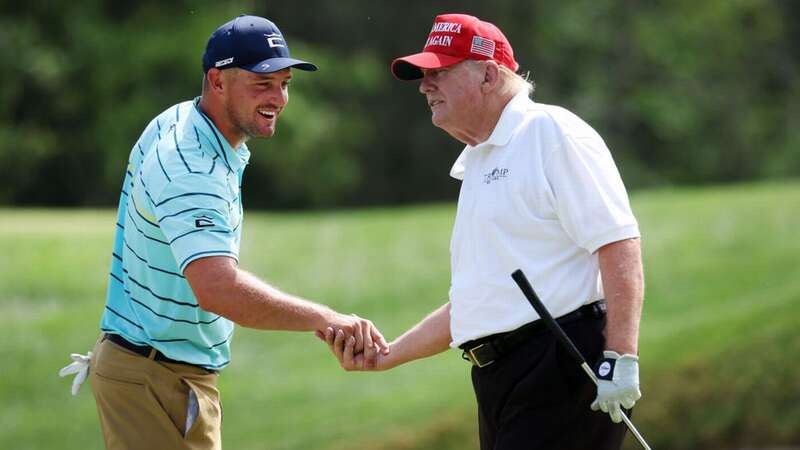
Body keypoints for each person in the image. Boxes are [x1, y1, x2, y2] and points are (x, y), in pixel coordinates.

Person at [59, 15, 388, 450]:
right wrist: (325, 319)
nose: (280, 98)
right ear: (217, 81)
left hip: (157, 373)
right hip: (154, 379)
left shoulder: (189, 123)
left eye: (284, 83)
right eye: (262, 83)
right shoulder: (191, 165)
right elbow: (218, 289)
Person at [321, 13, 644, 450]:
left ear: (489, 76)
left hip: (563, 363)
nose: (424, 86)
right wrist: (389, 355)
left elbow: (618, 243)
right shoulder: (478, 160)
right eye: (423, 76)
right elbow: (476, 303)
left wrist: (620, 358)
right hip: (498, 378)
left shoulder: (550, 132)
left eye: (439, 73)